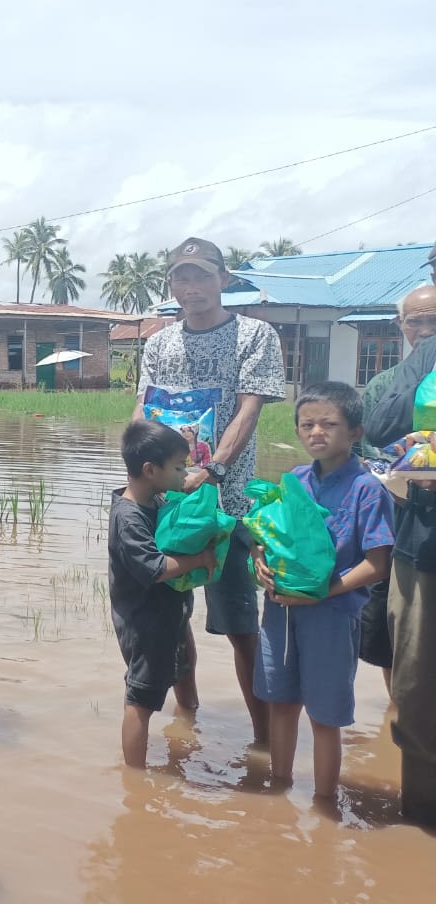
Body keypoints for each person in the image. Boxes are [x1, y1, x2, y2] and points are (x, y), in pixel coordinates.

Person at [135, 237, 285, 746]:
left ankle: (264, 738)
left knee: (242, 625)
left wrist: (215, 470)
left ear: (224, 279)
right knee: (172, 619)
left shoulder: (254, 334)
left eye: (202, 276)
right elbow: (144, 413)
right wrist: (139, 474)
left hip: (231, 504)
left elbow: (249, 409)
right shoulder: (159, 342)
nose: (192, 287)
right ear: (171, 284)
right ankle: (187, 720)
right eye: (182, 277)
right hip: (170, 504)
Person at [252, 382, 394, 799]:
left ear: (355, 433)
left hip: (332, 618)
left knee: (325, 717)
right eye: (307, 424)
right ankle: (279, 791)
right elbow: (267, 534)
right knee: (281, 703)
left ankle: (324, 804)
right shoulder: (293, 481)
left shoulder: (368, 488)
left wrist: (319, 594)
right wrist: (259, 559)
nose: (317, 432)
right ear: (297, 431)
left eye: (330, 424)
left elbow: (377, 564)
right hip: (281, 613)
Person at [365, 275, 436, 826]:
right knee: (411, 678)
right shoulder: (397, 378)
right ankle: (419, 824)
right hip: (412, 537)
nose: (429, 330)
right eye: (420, 321)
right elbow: (378, 429)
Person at [109, 420, 216, 769]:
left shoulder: (156, 499)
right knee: (141, 698)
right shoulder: (129, 517)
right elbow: (154, 568)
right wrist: (199, 558)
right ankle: (135, 780)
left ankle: (189, 732)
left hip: (171, 614)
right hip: (145, 623)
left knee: (185, 669)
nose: (184, 473)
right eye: (179, 467)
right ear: (150, 470)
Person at [356, 285, 436, 694]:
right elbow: (368, 451)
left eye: (433, 321)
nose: (424, 331)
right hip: (392, 522)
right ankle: (394, 712)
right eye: (414, 321)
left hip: (427, 525)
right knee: (388, 628)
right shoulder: (384, 385)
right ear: (399, 325)